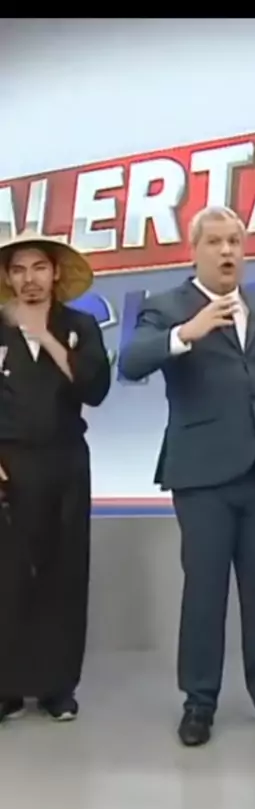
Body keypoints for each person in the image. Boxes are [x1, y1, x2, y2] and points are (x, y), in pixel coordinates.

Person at [119, 205, 255, 746]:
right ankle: (199, 703)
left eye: (235, 242)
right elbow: (131, 361)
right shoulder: (166, 306)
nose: (226, 251)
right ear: (194, 250)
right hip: (201, 473)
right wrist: (184, 334)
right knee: (205, 592)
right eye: (215, 242)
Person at [0, 230, 111, 724]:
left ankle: (57, 687)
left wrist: (44, 335)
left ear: (56, 273)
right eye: (19, 269)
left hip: (66, 462)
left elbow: (95, 388)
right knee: (8, 577)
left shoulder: (79, 326)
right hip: (8, 465)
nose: (30, 279)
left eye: (39, 268)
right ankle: (7, 686)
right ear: (9, 278)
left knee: (63, 573)